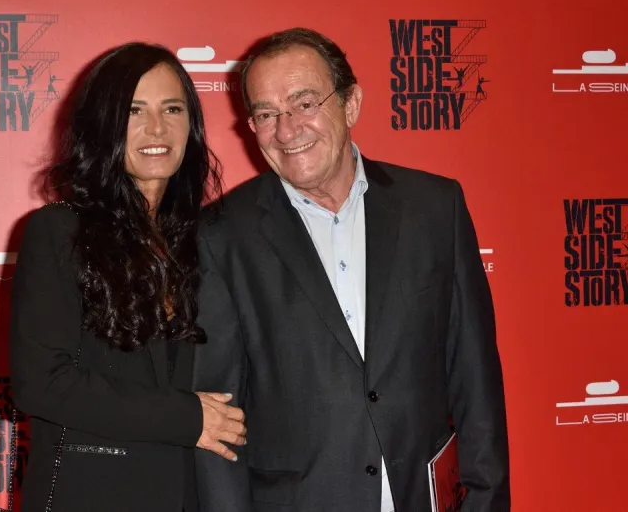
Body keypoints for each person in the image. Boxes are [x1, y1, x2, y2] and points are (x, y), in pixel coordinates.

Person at [193, 28, 509, 511]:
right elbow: (218, 421)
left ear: (351, 103)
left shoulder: (434, 209)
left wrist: (485, 502)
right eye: (266, 113)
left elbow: (474, 376)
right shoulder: (221, 236)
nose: (287, 129)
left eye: (304, 103)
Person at [10, 42, 246, 512]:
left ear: (191, 126)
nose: (156, 128)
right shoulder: (60, 230)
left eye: (172, 109)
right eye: (133, 110)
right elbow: (41, 383)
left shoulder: (203, 241)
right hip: (89, 494)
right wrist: (186, 416)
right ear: (103, 125)